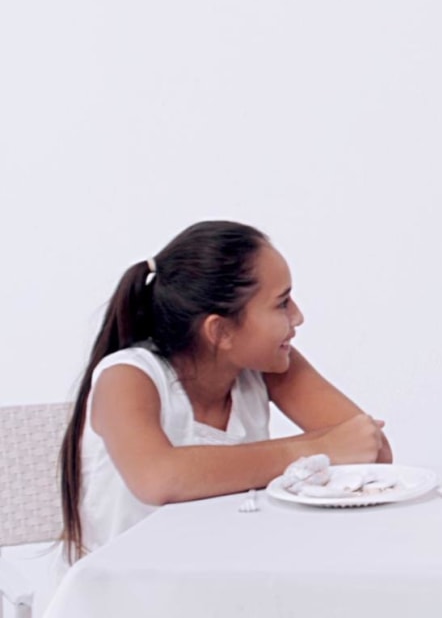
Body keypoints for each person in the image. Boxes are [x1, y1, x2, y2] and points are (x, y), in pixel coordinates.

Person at [58, 221, 390, 561]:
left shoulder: (267, 365)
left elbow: (372, 451)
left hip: (221, 578)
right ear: (220, 331)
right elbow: (158, 477)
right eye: (282, 303)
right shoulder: (128, 377)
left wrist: (334, 449)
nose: (298, 316)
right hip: (122, 595)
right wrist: (317, 450)